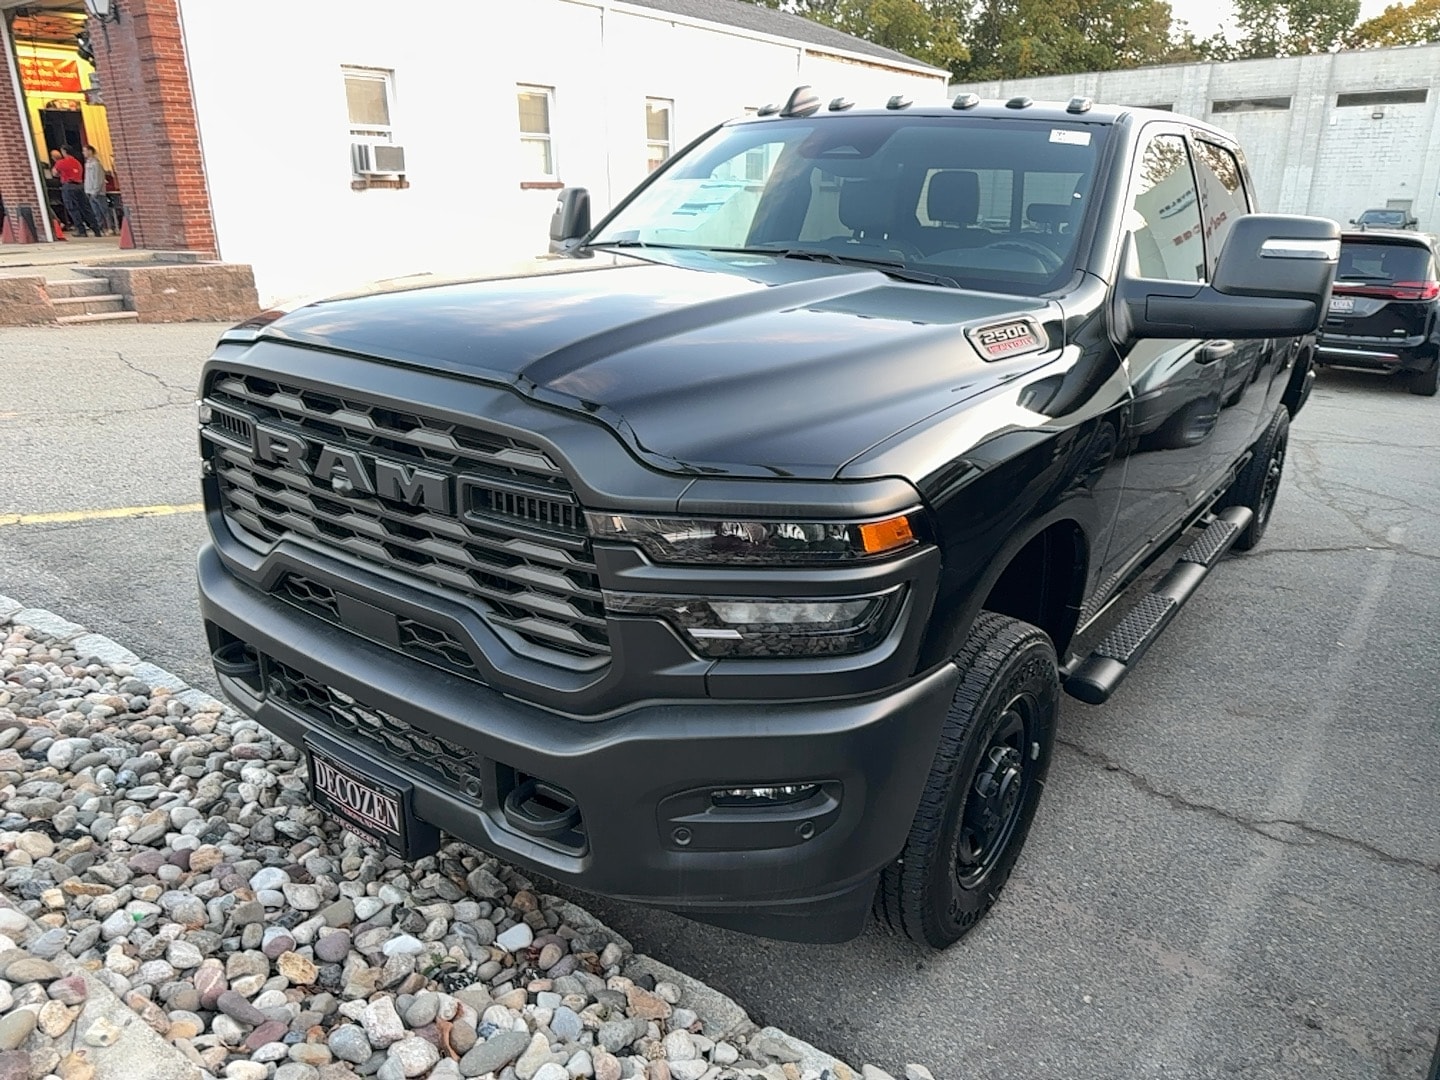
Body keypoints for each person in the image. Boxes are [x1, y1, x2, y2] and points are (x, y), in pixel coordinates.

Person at [52, 146, 102, 237]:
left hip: (68, 186)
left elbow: (54, 173)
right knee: (85, 208)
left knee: (73, 209)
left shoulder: (61, 162)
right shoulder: (77, 162)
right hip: (80, 186)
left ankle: (81, 230)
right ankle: (96, 229)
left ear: (64, 152)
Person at [82, 146, 110, 235]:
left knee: (104, 210)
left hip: (98, 192)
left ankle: (110, 227)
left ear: (90, 151)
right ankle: (100, 228)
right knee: (96, 212)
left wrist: (96, 190)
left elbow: (98, 178)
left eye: (85, 151)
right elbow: (87, 178)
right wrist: (87, 189)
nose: (83, 153)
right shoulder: (87, 163)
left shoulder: (96, 164)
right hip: (90, 191)